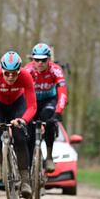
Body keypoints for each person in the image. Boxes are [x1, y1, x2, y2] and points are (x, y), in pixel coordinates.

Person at [0, 51, 37, 199]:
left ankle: (25, 180)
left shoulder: (26, 77)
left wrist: (23, 120)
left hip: (17, 104)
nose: (10, 77)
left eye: (14, 74)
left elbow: (32, 106)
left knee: (20, 137)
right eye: (7, 73)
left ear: (19, 70)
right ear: (2, 70)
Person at [25, 43, 68, 173]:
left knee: (49, 120)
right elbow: (21, 93)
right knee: (28, 131)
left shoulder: (56, 70)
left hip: (49, 101)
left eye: (43, 60)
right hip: (32, 102)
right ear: (32, 59)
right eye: (36, 59)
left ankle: (49, 156)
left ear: (49, 59)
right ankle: (27, 163)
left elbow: (63, 93)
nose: (40, 63)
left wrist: (58, 112)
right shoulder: (28, 70)